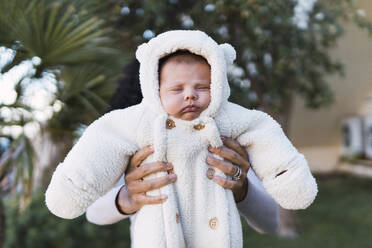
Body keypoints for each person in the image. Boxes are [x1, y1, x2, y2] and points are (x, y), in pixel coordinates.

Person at [45, 30, 317, 248]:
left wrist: (241, 187)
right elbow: (95, 209)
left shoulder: (225, 129)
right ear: (153, 89)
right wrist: (127, 196)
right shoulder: (138, 129)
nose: (190, 96)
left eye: (202, 86)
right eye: (176, 88)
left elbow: (269, 221)